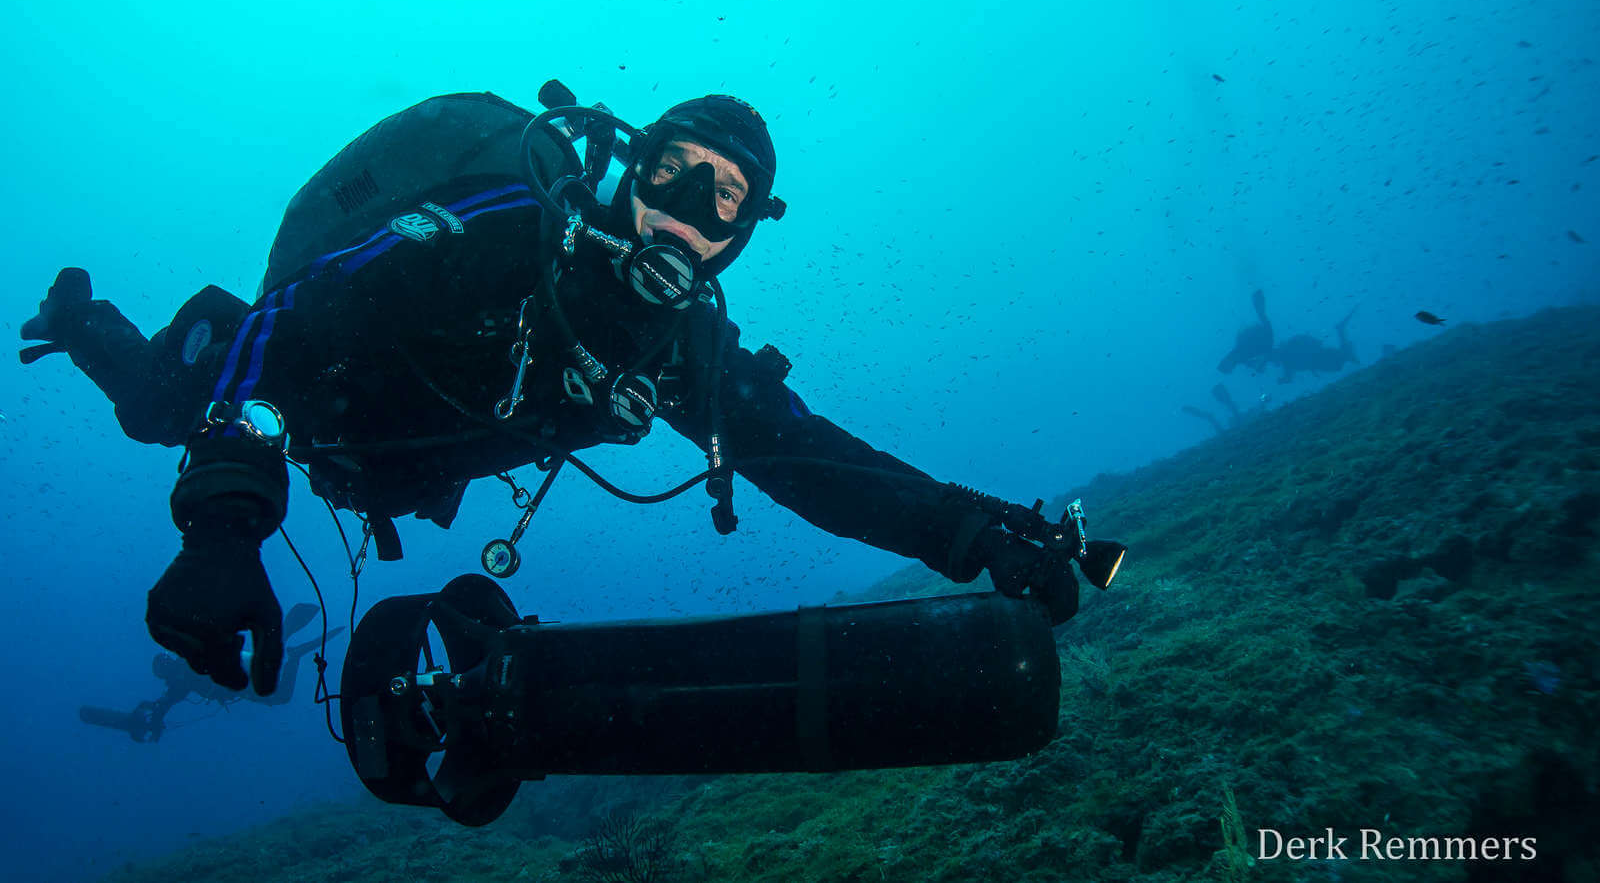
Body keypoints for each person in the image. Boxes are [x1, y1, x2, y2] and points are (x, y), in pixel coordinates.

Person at [22, 87, 1112, 698]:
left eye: (725, 200)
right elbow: (292, 321)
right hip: (288, 394)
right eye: (675, 170)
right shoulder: (500, 229)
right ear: (628, 169)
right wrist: (224, 531)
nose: (690, 204)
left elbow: (808, 461)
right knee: (156, 410)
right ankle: (82, 321)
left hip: (393, 465)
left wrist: (975, 534)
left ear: (739, 240)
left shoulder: (678, 344)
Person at [77, 603, 344, 742]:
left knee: (279, 695)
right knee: (276, 687)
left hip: (241, 676)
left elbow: (165, 705)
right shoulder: (184, 670)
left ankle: (288, 646)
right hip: (241, 673)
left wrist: (153, 720)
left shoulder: (182, 675)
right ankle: (285, 646)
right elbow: (164, 706)